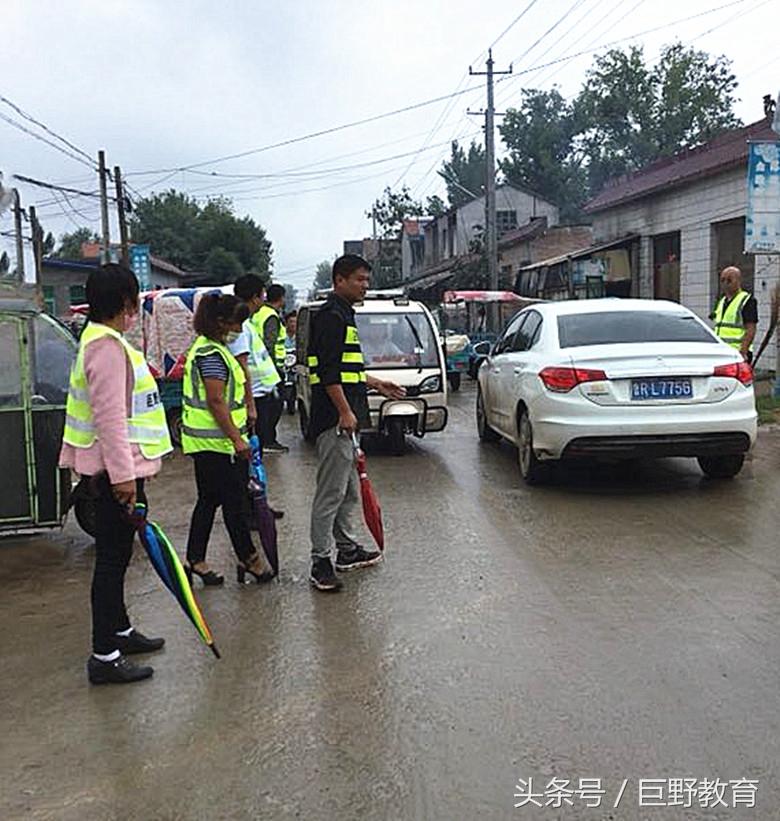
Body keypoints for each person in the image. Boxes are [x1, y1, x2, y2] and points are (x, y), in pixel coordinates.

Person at [60, 263, 172, 685]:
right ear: (125, 302)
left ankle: (120, 631)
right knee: (110, 562)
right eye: (135, 299)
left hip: (113, 472)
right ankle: (104, 656)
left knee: (119, 556)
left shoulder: (101, 340)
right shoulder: (106, 347)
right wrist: (124, 479)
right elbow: (110, 419)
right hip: (114, 475)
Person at [307, 254, 405, 592]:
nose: (365, 285)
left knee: (348, 490)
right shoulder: (331, 317)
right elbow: (328, 373)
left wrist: (376, 383)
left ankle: (346, 550)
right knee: (331, 492)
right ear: (339, 280)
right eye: (359, 280)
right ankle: (321, 561)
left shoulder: (343, 314)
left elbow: (346, 370)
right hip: (335, 421)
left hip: (345, 417)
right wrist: (345, 412)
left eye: (367, 279)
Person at [182, 293, 270, 586]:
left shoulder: (211, 348)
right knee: (235, 503)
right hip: (217, 445)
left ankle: (195, 559)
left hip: (211, 444)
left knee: (208, 500)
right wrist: (237, 440)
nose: (239, 331)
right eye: (236, 324)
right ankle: (249, 559)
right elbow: (216, 401)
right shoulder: (211, 354)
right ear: (220, 323)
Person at [252, 283, 287, 452]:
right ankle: (268, 441)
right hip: (270, 370)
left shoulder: (259, 313)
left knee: (265, 407)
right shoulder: (271, 317)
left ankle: (263, 439)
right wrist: (275, 370)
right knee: (273, 407)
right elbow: (270, 344)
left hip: (259, 368)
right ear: (281, 298)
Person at [711, 266, 758, 363]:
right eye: (722, 280)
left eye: (729, 280)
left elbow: (751, 329)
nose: (725, 284)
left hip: (738, 353)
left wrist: (743, 351)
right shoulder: (722, 301)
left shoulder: (746, 300)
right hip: (722, 352)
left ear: (738, 281)